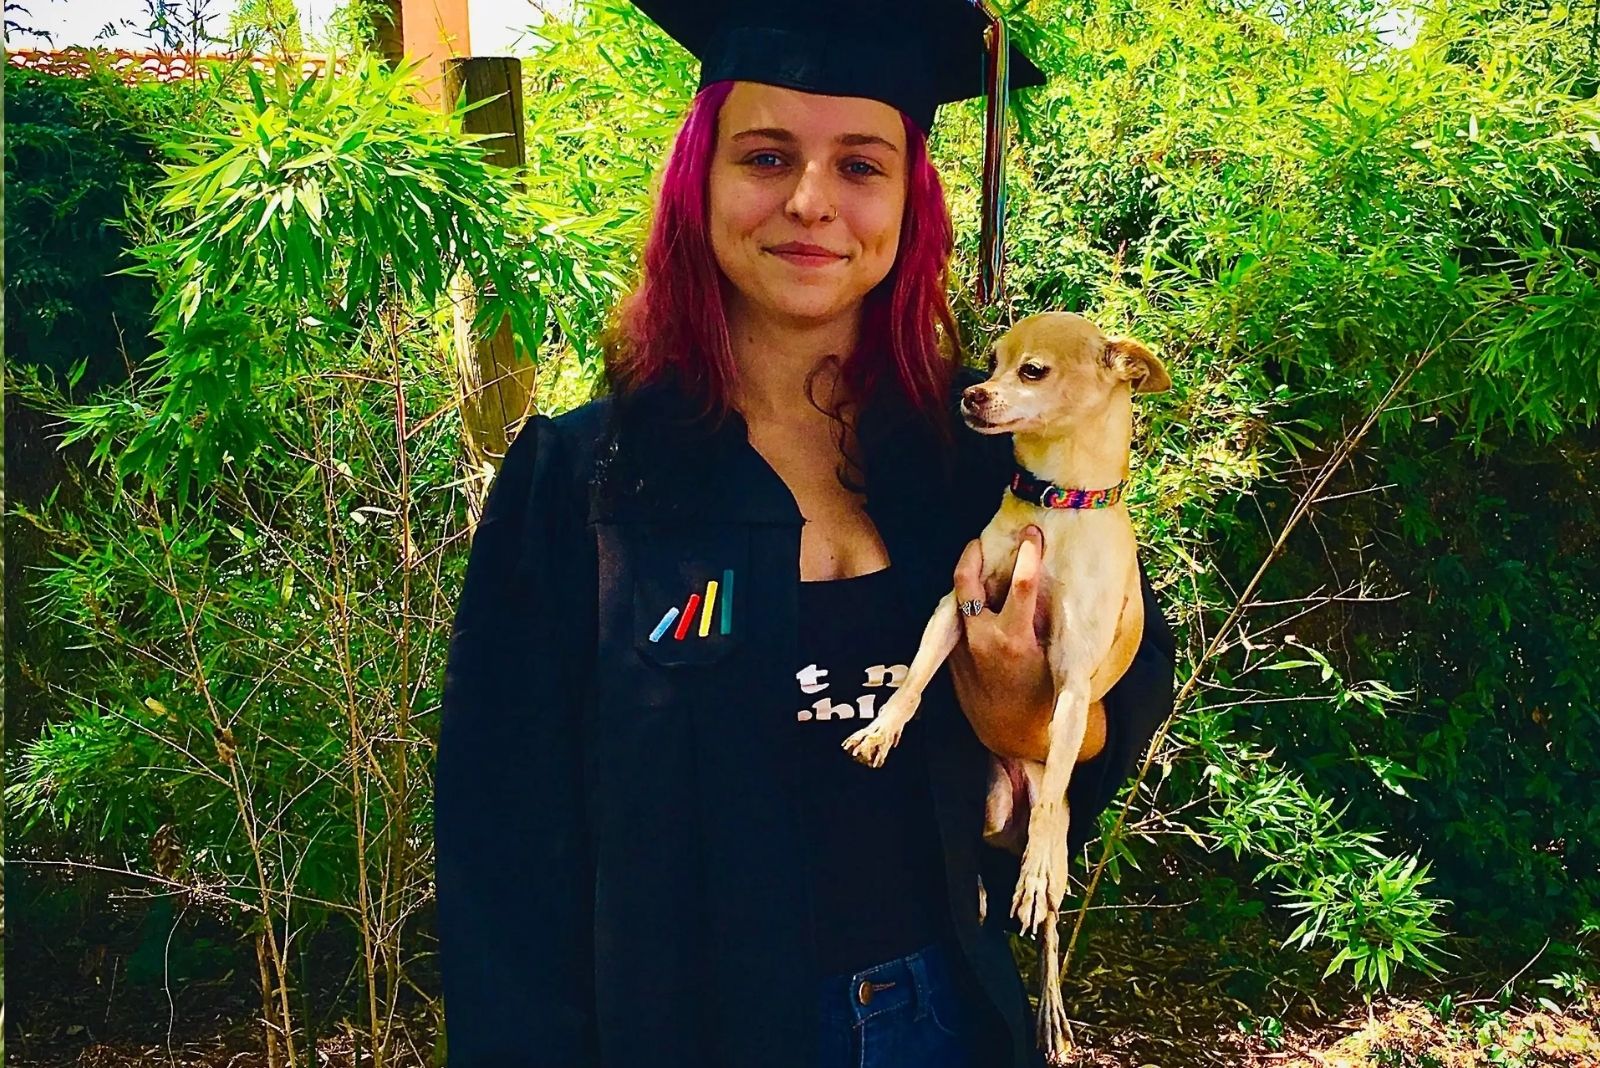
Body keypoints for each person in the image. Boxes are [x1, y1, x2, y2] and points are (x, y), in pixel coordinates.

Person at [433, 3, 1178, 1066]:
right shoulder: (582, 483)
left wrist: (1025, 719)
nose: (811, 201)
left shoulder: (978, 472)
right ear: (700, 182)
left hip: (945, 1017)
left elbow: (1130, 674)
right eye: (767, 155)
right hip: (685, 1032)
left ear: (908, 205)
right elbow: (502, 849)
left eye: (861, 166)